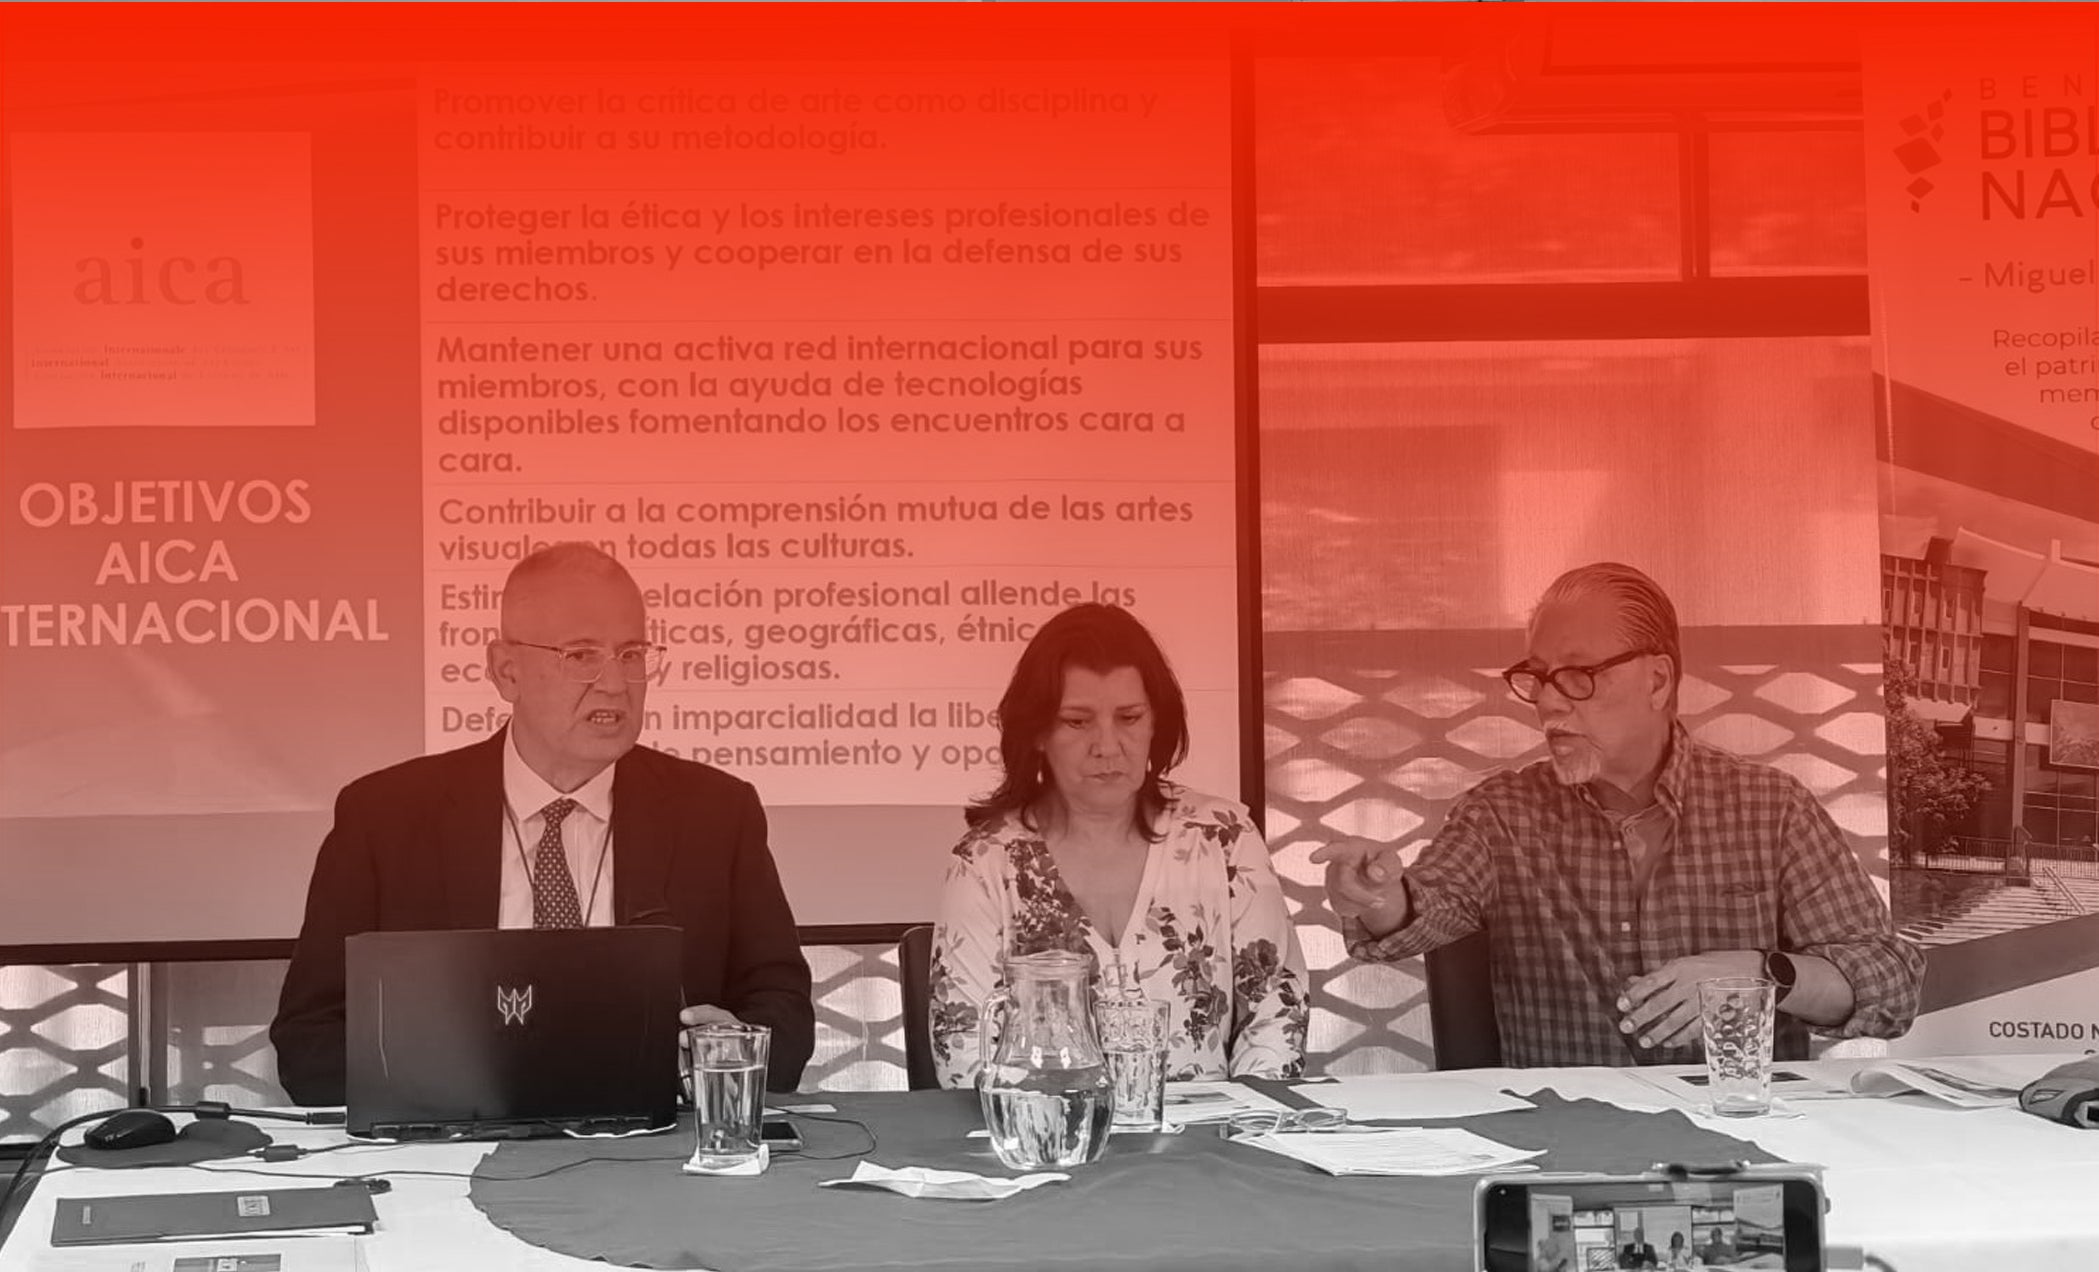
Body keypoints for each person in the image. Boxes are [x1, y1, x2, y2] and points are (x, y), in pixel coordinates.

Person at [1315, 562, 1923, 1067]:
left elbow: (1890, 982)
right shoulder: (1501, 815)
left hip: (1737, 1136)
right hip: (1560, 1141)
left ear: (1657, 680)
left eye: (1577, 676)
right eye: (1537, 678)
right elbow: (1428, 908)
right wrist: (1378, 895)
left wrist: (1761, 974)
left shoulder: (1771, 808)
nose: (1548, 702)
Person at [271, 543, 814, 1103]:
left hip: (655, 1143)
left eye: (631, 654)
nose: (615, 683)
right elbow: (308, 1041)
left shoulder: (716, 813)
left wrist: (731, 1050)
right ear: (506, 671)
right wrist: (444, 1075)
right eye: (581, 655)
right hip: (453, 1140)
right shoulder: (384, 818)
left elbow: (786, 1014)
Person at [929, 603, 1307, 1087]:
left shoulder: (1223, 836)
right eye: (1077, 721)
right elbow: (964, 1055)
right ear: (1038, 732)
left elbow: (1277, 1016)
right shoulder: (986, 862)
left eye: (1129, 717)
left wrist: (1239, 1124)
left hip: (1218, 1131)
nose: (1107, 746)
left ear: (1156, 723)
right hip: (1046, 1131)